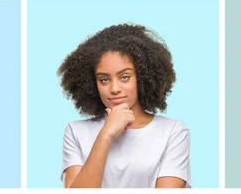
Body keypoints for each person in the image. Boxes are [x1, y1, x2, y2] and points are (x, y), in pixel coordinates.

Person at [58, 24, 190, 188]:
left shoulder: (172, 132)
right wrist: (106, 135)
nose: (114, 89)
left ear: (142, 78)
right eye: (104, 79)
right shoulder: (76, 131)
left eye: (125, 77)